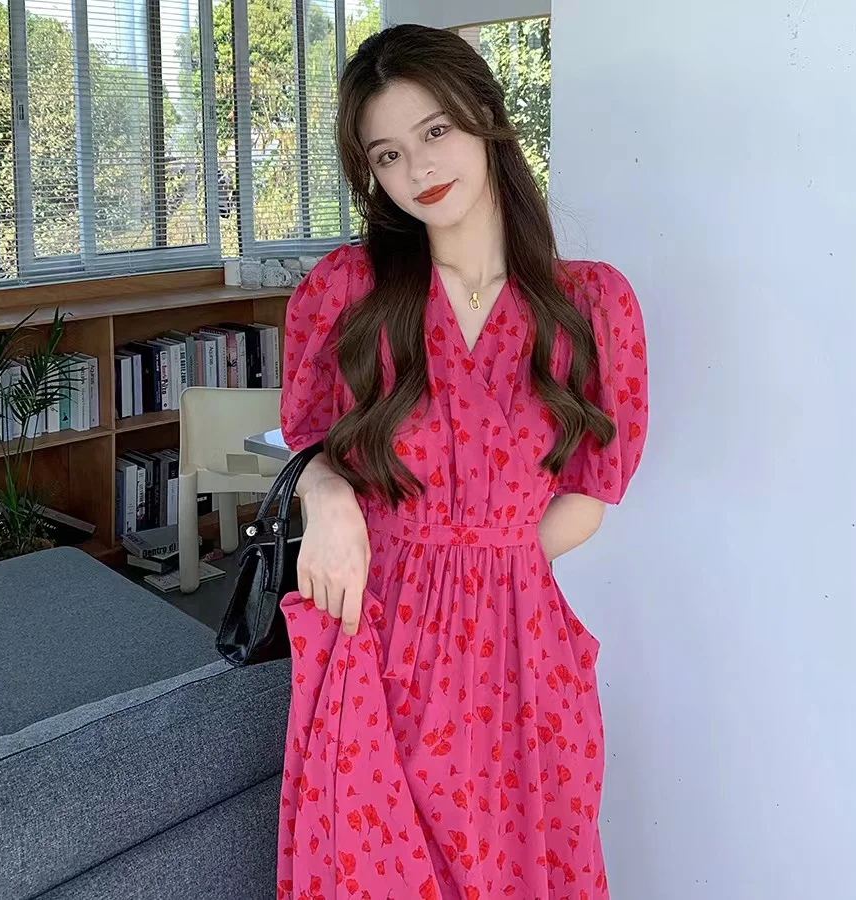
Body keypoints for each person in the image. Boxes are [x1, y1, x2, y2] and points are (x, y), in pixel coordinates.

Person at [275, 23, 648, 900]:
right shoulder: (347, 291)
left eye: (435, 131)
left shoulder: (592, 304)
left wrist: (480, 571)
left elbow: (590, 496)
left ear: (486, 115)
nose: (418, 169)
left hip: (525, 663)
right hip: (375, 641)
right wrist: (329, 500)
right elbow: (310, 444)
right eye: (388, 154)